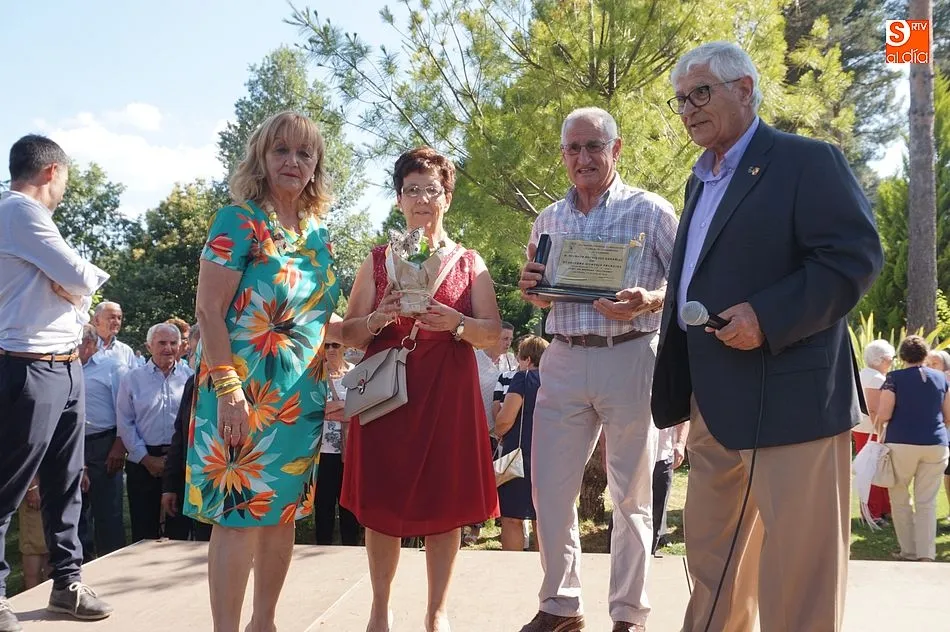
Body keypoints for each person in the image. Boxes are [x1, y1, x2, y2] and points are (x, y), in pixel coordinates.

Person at [651, 42, 883, 632]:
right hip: (712, 402)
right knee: (712, 565)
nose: (688, 109)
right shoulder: (698, 182)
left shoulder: (808, 161)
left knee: (799, 575)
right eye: (681, 100)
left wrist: (766, 316)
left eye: (700, 93)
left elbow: (853, 259)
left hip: (792, 401)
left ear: (745, 89)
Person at [517, 106, 677, 632]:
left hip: (631, 353)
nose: (583, 157)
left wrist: (650, 299)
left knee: (630, 493)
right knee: (548, 489)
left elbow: (688, 282)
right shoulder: (548, 219)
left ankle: (629, 614)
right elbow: (541, 292)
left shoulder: (651, 211)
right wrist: (532, 289)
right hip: (563, 355)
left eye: (594, 146)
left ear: (617, 149)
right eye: (573, 148)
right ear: (563, 154)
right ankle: (561, 605)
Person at [183, 111, 339, 632]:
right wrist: (229, 391)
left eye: (304, 153)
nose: (293, 161)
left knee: (282, 514)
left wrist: (374, 321)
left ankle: (264, 624)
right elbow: (208, 310)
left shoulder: (319, 234)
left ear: (316, 165)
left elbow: (317, 320)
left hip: (299, 400)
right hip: (240, 394)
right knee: (238, 517)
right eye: (281, 150)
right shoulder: (239, 220)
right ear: (262, 157)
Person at [339, 146, 501, 632]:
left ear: (447, 198)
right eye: (412, 190)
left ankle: (436, 613)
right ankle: (380, 610)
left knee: (445, 503)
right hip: (386, 395)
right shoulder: (377, 260)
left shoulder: (469, 263)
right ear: (399, 199)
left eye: (432, 190)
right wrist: (378, 316)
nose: (422, 199)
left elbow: (493, 334)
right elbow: (348, 333)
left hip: (447, 395)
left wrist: (457, 323)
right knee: (382, 504)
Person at [0, 134, 113, 630]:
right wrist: (77, 292)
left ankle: (68, 583)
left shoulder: (28, 219)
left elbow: (76, 294)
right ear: (52, 172)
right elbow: (82, 278)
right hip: (29, 364)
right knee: (8, 485)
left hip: (65, 365)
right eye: (66, 177)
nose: (65, 187)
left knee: (66, 483)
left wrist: (75, 295)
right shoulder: (18, 210)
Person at [875, 335, 950, 561]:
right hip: (935, 443)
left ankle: (908, 551)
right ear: (925, 355)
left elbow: (884, 413)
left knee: (899, 496)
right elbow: (948, 414)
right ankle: (926, 554)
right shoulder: (942, 378)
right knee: (927, 501)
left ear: (902, 356)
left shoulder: (894, 378)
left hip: (902, 442)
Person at [117, 322, 194, 541]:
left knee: (179, 528)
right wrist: (146, 458)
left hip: (179, 460)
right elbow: (125, 422)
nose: (168, 348)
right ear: (149, 346)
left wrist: (172, 461)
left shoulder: (190, 377)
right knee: (144, 528)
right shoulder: (132, 379)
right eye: (162, 343)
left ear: (181, 346)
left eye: (173, 343)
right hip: (143, 461)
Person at [80, 302, 133, 560]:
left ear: (90, 344)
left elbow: (125, 407)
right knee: (76, 512)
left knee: (108, 513)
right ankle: (79, 568)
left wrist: (119, 444)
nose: (116, 322)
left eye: (78, 343)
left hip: (104, 443)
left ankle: (112, 564)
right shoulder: (69, 362)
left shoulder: (114, 363)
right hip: (73, 443)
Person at [494, 335, 548, 551]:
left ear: (527, 359)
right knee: (543, 519)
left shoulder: (523, 378)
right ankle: (545, 565)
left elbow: (505, 420)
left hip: (520, 454)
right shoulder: (557, 380)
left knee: (512, 518)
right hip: (550, 453)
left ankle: (512, 566)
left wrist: (498, 430)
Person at [162, 323, 213, 542]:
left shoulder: (240, 386)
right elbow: (181, 437)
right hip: (195, 486)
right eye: (192, 351)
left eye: (199, 350)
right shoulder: (193, 383)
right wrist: (170, 487)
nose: (194, 356)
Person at [314, 341, 360, 545]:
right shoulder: (315, 375)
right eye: (327, 346)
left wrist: (334, 408)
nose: (331, 350)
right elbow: (313, 409)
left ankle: (351, 549)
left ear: (344, 347)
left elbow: (361, 408)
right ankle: (322, 548)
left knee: (349, 503)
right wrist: (343, 408)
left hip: (350, 450)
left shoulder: (356, 372)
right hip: (322, 450)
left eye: (335, 345)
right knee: (323, 503)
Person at [857, 340, 895, 525]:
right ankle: (873, 512)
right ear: (882, 359)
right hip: (872, 430)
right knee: (873, 471)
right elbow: (874, 409)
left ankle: (883, 508)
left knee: (875, 470)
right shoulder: (876, 378)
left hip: (865, 429)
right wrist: (881, 433)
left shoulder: (863, 374)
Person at [651, 424, 688, 557]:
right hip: (634, 459)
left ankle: (650, 553)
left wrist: (680, 443)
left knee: (657, 512)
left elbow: (683, 418)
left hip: (664, 457)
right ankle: (614, 556)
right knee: (626, 510)